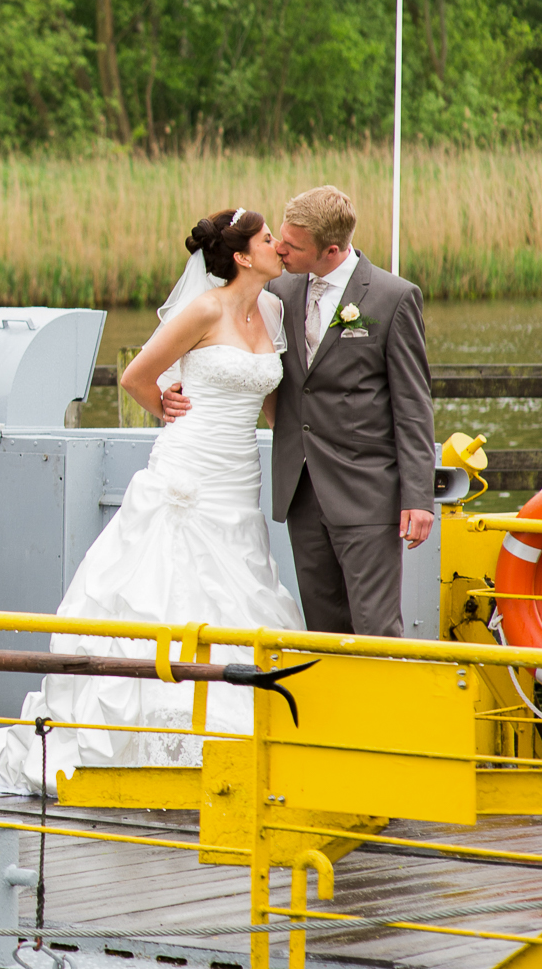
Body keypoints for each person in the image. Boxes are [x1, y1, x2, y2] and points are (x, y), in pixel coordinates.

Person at [0, 208, 306, 797]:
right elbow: (138, 376)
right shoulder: (203, 309)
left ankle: (236, 730)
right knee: (163, 588)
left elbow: (270, 397)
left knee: (240, 584)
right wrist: (165, 403)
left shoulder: (271, 309)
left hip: (238, 472)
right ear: (244, 256)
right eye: (269, 239)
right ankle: (154, 736)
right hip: (188, 468)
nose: (279, 246)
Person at [167, 185, 435, 637]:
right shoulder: (278, 291)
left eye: (292, 246)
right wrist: (179, 383)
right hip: (301, 491)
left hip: (367, 491)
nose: (280, 249)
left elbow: (413, 405)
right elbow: (224, 331)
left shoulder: (394, 298)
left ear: (331, 250)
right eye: (279, 238)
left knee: (375, 626)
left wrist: (418, 497)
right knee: (322, 623)